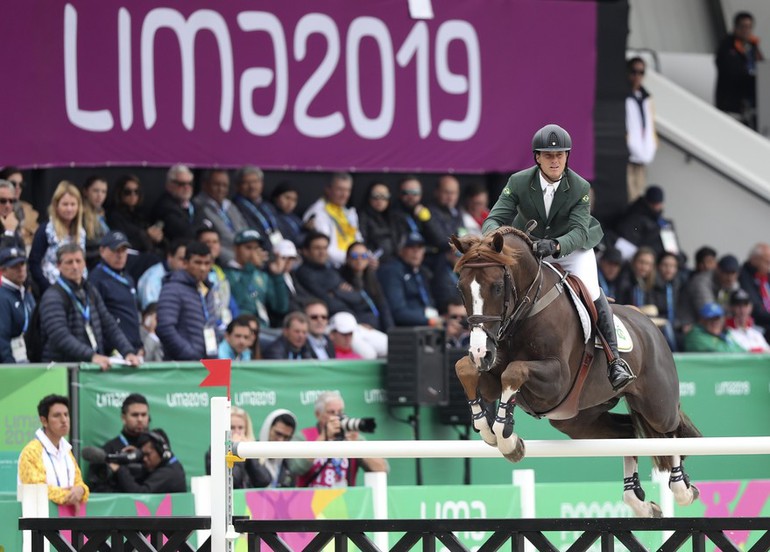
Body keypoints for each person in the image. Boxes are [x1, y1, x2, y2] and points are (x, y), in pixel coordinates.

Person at [482, 123, 635, 391]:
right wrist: (490, 241)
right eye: (549, 155)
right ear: (537, 157)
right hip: (532, 247)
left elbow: (577, 231)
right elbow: (496, 216)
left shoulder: (579, 187)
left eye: (560, 155)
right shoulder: (518, 181)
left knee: (591, 291)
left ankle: (615, 361)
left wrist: (554, 246)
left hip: (572, 249)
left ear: (567, 156)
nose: (555, 161)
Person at [39, 244, 141, 370]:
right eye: (69, 262)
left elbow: (109, 325)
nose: (75, 266)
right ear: (59, 266)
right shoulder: (53, 296)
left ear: (84, 263)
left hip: (88, 366)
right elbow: (60, 336)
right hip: (61, 370)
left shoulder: (90, 290)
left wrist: (127, 351)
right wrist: (92, 356)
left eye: (78, 261)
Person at [290, 391, 388, 488]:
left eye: (340, 412)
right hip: (309, 501)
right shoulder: (304, 437)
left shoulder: (352, 437)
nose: (337, 417)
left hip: (344, 501)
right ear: (318, 414)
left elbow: (382, 468)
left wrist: (357, 445)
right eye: (331, 412)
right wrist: (323, 438)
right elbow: (297, 468)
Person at [18, 395, 90, 509]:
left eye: (66, 414)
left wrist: (81, 490)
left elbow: (79, 483)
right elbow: (36, 489)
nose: (64, 420)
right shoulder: (31, 452)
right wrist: (69, 495)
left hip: (67, 522)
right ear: (44, 420)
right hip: (39, 522)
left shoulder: (67, 451)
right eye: (57, 415)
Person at [156, 241, 218, 360]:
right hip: (182, 367)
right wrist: (189, 354)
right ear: (185, 263)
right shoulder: (172, 289)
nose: (203, 268)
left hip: (207, 363)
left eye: (207, 263)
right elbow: (165, 328)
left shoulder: (207, 290)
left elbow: (212, 324)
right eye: (198, 262)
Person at [88, 231, 143, 354]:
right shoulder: (96, 279)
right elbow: (98, 318)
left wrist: (139, 344)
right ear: (102, 251)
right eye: (115, 250)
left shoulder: (128, 278)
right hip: (113, 351)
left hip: (133, 349)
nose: (120, 255)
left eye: (124, 251)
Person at [224, 228, 290, 329]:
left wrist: (277, 276)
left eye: (256, 248)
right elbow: (237, 300)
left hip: (263, 326)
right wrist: (249, 268)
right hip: (240, 327)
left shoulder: (261, 275)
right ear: (236, 249)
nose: (253, 253)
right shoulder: (226, 273)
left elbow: (280, 307)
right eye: (248, 248)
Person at [29, 180, 86, 294]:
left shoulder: (81, 232)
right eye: (65, 204)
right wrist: (48, 288)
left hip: (77, 289)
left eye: (73, 204)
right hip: (52, 288)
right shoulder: (46, 230)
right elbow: (34, 263)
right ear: (56, 205)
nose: (69, 209)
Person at [86, 393, 150, 492]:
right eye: (135, 415)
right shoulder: (107, 452)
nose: (140, 419)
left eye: (144, 415)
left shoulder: (154, 451)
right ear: (123, 418)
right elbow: (97, 489)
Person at [377, 232, 442, 328]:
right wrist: (430, 321)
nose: (416, 252)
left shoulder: (422, 272)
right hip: (406, 329)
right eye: (411, 247)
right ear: (401, 250)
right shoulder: (392, 271)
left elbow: (429, 302)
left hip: (426, 321)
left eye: (419, 247)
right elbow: (398, 311)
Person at [302, 173, 363, 268]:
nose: (344, 195)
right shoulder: (318, 212)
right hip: (333, 266)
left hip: (352, 262)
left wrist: (365, 256)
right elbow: (327, 250)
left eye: (348, 190)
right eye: (340, 190)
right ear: (328, 189)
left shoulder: (348, 212)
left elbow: (358, 239)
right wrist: (353, 259)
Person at [715, 11, 764, 129]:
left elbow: (762, 67)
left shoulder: (752, 46)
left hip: (752, 102)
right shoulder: (727, 46)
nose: (746, 30)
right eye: (743, 27)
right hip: (731, 103)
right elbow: (730, 71)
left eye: (749, 27)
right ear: (736, 27)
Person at [205, 407, 271, 489]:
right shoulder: (214, 451)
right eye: (232, 428)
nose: (236, 432)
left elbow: (264, 481)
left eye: (240, 428)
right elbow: (232, 482)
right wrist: (237, 452)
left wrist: (248, 451)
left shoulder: (253, 447)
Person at [193, 169, 249, 265]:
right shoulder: (198, 206)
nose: (221, 189)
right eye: (216, 185)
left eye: (224, 185)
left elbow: (245, 229)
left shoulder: (230, 206)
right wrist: (235, 259)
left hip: (244, 255)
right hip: (227, 260)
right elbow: (213, 244)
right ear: (205, 185)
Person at [109, 429, 186, 493]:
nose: (144, 459)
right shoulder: (171, 465)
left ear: (161, 451)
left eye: (148, 454)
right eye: (143, 455)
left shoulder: (169, 473)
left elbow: (141, 494)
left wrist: (120, 470)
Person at [106, 174, 165, 257]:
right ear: (120, 193)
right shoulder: (114, 216)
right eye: (127, 192)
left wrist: (157, 237)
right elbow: (122, 241)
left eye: (136, 192)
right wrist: (146, 235)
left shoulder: (141, 214)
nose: (133, 195)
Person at [615, 185, 680, 260]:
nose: (657, 206)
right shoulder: (633, 218)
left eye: (659, 203)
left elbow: (673, 249)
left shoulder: (664, 224)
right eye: (654, 203)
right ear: (647, 202)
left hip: (662, 262)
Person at [625, 57, 658, 202]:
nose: (637, 76)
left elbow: (650, 124)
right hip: (627, 157)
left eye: (641, 72)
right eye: (634, 72)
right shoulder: (623, 96)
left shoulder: (646, 97)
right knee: (628, 195)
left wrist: (654, 143)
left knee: (638, 196)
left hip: (643, 156)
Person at [679, 253, 741, 330]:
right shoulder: (701, 282)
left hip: (712, 326)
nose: (730, 278)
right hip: (688, 325)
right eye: (727, 273)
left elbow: (737, 310)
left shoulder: (733, 284)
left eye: (733, 273)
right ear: (718, 269)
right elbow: (709, 313)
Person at [232, 165, 283, 254]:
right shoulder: (235, 207)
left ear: (261, 184)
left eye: (255, 181)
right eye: (246, 182)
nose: (252, 186)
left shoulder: (268, 206)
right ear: (238, 186)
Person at [0, 246, 35, 363]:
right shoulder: (3, 296)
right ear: (3, 270)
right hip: (11, 363)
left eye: (22, 264)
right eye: (14, 266)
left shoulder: (26, 294)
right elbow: (1, 337)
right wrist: (10, 367)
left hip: (28, 357)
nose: (20, 269)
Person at [150, 164, 197, 242]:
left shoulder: (194, 204)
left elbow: (208, 225)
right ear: (169, 185)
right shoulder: (164, 207)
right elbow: (185, 232)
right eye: (181, 184)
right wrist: (200, 230)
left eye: (190, 183)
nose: (186, 187)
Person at [137, 239, 187, 310]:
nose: (185, 264)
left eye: (187, 260)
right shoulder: (153, 278)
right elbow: (151, 311)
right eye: (181, 259)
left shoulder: (186, 276)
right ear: (170, 257)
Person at [357, 181, 399, 263]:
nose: (380, 200)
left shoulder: (394, 217)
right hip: (374, 261)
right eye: (376, 196)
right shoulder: (362, 217)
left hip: (395, 260)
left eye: (384, 197)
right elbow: (362, 241)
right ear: (369, 198)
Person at [257, 409, 298, 487]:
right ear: (268, 429)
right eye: (278, 434)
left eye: (286, 437)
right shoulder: (249, 453)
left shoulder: (289, 463)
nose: (281, 441)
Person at [0, 167, 38, 247]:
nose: (18, 188)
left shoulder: (28, 209)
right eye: (13, 184)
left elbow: (37, 238)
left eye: (21, 185)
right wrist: (9, 232)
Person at [738, 243, 770, 336]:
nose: (769, 267)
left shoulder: (766, 277)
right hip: (757, 325)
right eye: (767, 262)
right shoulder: (744, 276)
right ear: (754, 260)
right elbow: (756, 310)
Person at [725, 288, 770, 353]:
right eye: (738, 305)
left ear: (750, 307)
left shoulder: (757, 333)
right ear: (731, 308)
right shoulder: (726, 333)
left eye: (745, 305)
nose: (742, 310)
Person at [81, 175, 111, 269]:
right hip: (93, 261)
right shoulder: (81, 214)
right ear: (86, 192)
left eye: (103, 192)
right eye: (96, 191)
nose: (100, 195)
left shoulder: (101, 213)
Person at [269, 181, 305, 248]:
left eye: (294, 200)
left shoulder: (295, 218)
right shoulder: (271, 216)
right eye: (287, 198)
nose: (290, 203)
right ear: (276, 197)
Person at [0, 179, 25, 250]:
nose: (8, 205)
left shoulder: (13, 221)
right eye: (3, 201)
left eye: (11, 201)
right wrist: (9, 232)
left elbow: (21, 254)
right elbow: (5, 257)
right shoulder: (10, 226)